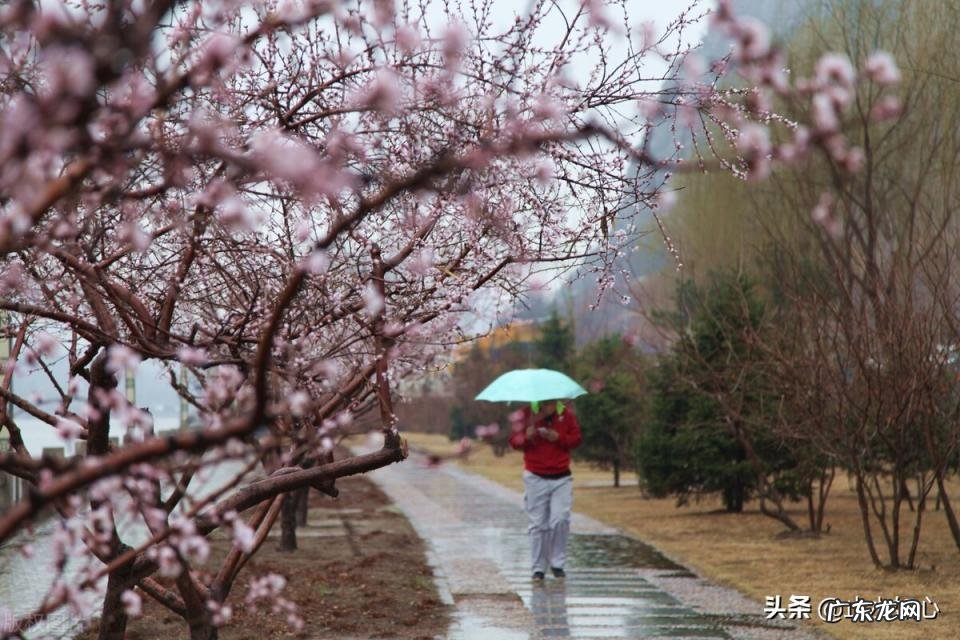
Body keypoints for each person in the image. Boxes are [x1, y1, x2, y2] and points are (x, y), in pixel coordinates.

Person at [508, 399, 582, 581]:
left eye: (551, 402)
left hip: (561, 476)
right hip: (535, 476)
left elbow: (577, 439)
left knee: (560, 519)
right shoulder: (526, 415)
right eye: (545, 402)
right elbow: (514, 442)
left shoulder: (566, 415)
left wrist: (559, 438)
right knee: (538, 524)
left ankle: (557, 563)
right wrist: (527, 436)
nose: (548, 405)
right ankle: (538, 568)